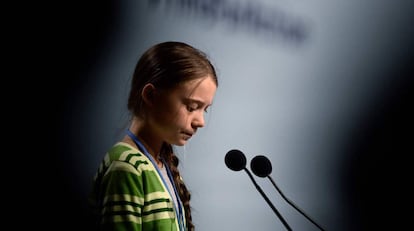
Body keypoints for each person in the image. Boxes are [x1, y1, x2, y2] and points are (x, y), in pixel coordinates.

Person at [89, 41, 218, 231]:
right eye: (191, 107)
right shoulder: (127, 167)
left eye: (204, 110)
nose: (200, 121)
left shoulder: (159, 164)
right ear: (150, 95)